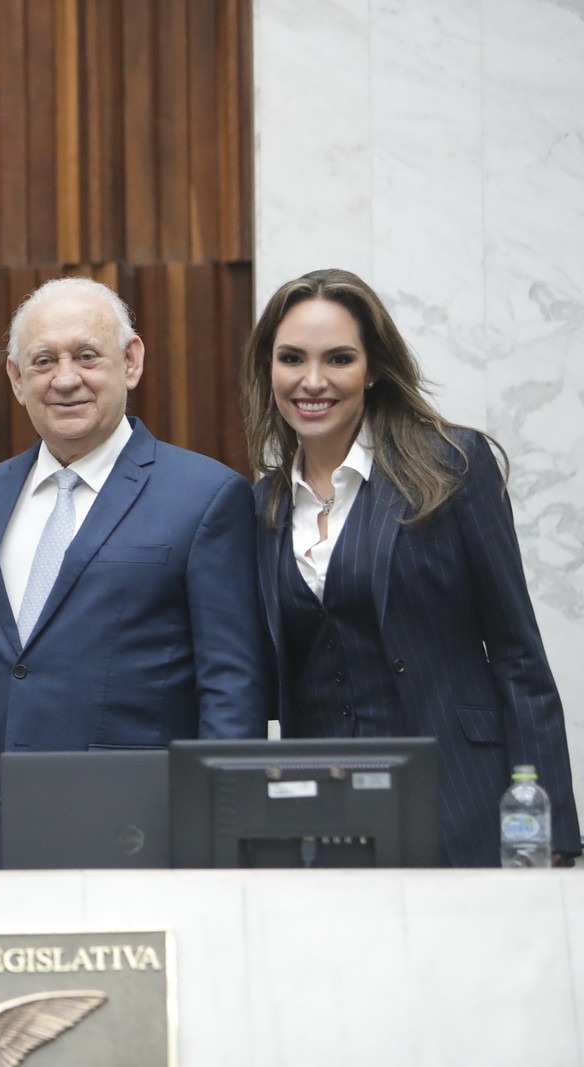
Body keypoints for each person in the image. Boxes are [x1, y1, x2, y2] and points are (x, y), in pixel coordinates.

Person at [242, 267, 580, 866]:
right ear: (269, 369)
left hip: (461, 795)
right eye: (291, 358)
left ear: (372, 369)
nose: (312, 381)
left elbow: (517, 652)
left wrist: (547, 834)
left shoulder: (450, 465)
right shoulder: (261, 506)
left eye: (338, 359)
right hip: (326, 821)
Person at [0, 277, 270, 869]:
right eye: (43, 361)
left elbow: (232, 693)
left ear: (132, 361)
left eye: (86, 356)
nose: (65, 379)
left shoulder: (206, 497)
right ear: (17, 380)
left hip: (139, 836)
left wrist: (219, 843)